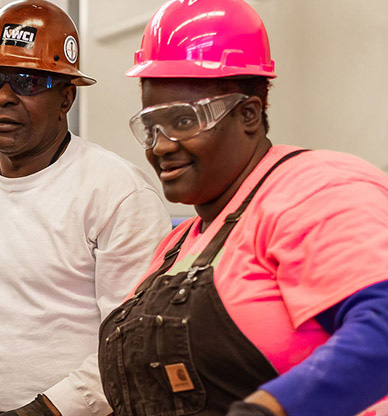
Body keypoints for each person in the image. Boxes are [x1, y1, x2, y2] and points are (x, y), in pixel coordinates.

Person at [97, 1, 388, 415]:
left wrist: (270, 409)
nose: (160, 145)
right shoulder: (179, 244)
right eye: (151, 126)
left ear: (249, 113)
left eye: (182, 121)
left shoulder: (316, 188)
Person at [0, 2, 171, 416]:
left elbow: (131, 343)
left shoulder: (116, 192)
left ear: (66, 97)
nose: (2, 98)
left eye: (27, 83)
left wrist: (42, 411)